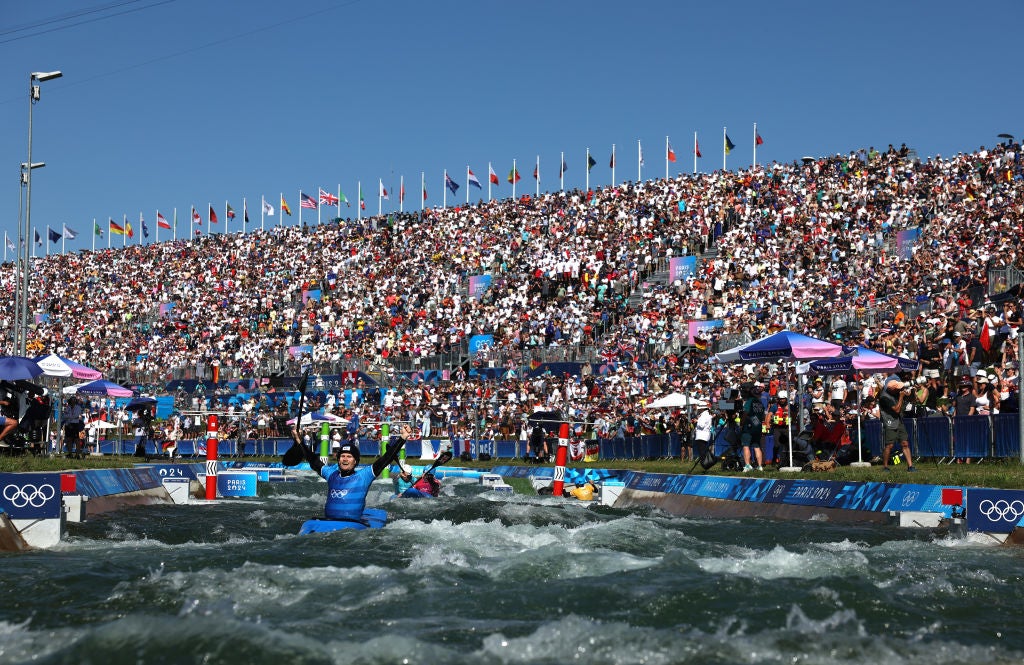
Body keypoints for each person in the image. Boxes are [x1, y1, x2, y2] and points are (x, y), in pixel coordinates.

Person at [291, 423, 411, 522]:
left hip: (352, 526)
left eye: (349, 456)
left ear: (355, 461)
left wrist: (403, 437)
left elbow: (386, 458)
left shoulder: (364, 476)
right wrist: (298, 440)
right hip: (327, 522)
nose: (345, 459)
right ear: (338, 460)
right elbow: (313, 460)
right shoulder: (331, 474)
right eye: (342, 456)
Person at [878, 374, 917, 472]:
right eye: (897, 389)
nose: (900, 390)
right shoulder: (884, 397)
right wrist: (901, 397)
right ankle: (885, 467)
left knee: (905, 443)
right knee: (889, 445)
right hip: (890, 421)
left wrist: (912, 391)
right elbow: (896, 409)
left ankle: (910, 466)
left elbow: (911, 399)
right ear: (891, 389)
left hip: (899, 420)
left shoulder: (895, 392)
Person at [740, 385, 766, 472]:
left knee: (746, 445)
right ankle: (759, 466)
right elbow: (763, 415)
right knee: (757, 446)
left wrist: (741, 424)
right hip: (758, 427)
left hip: (748, 427)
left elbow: (745, 413)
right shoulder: (760, 403)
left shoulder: (749, 402)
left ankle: (747, 465)